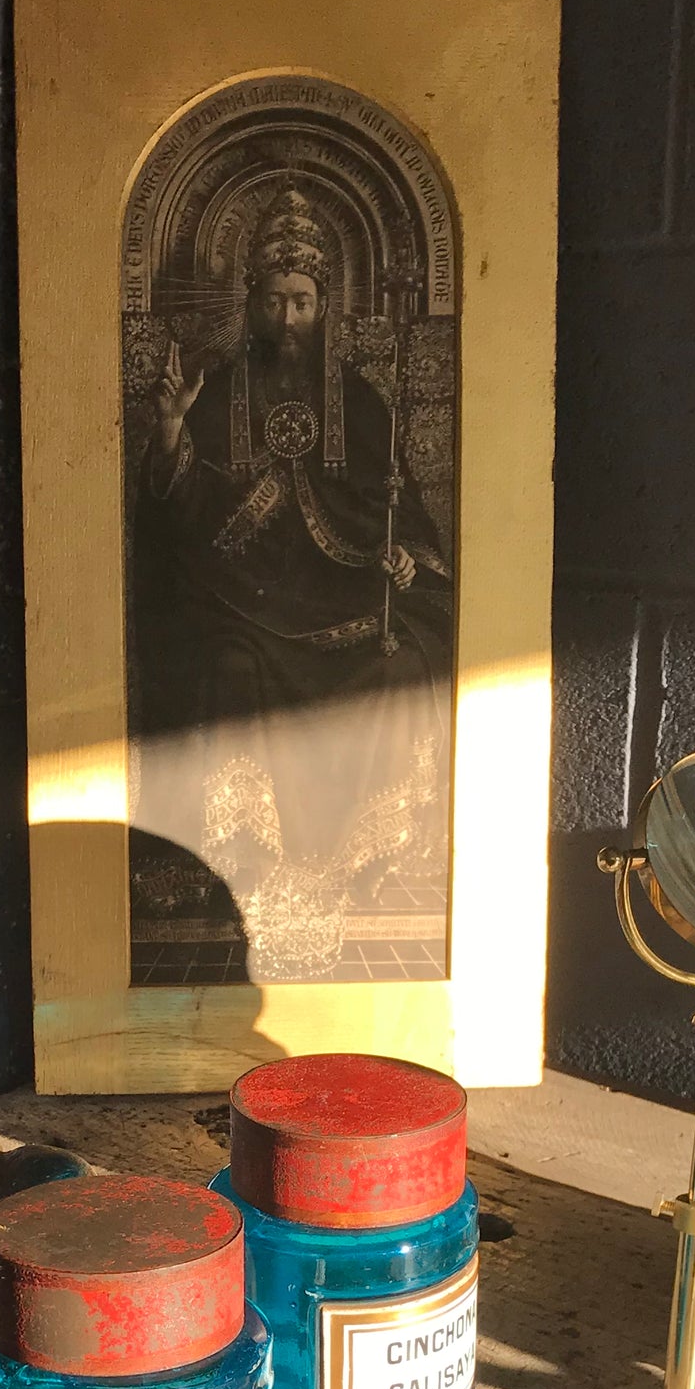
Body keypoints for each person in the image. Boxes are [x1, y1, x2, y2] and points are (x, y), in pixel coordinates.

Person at [129, 188, 453, 977]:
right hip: (239, 601)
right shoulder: (214, 391)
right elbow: (181, 518)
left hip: (342, 599)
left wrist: (403, 559)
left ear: (324, 306)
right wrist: (172, 432)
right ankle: (243, 859)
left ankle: (362, 859)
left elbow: (398, 513)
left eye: (302, 302)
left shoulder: (364, 401)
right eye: (272, 301)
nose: (287, 319)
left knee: (401, 661)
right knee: (226, 667)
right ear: (251, 302)